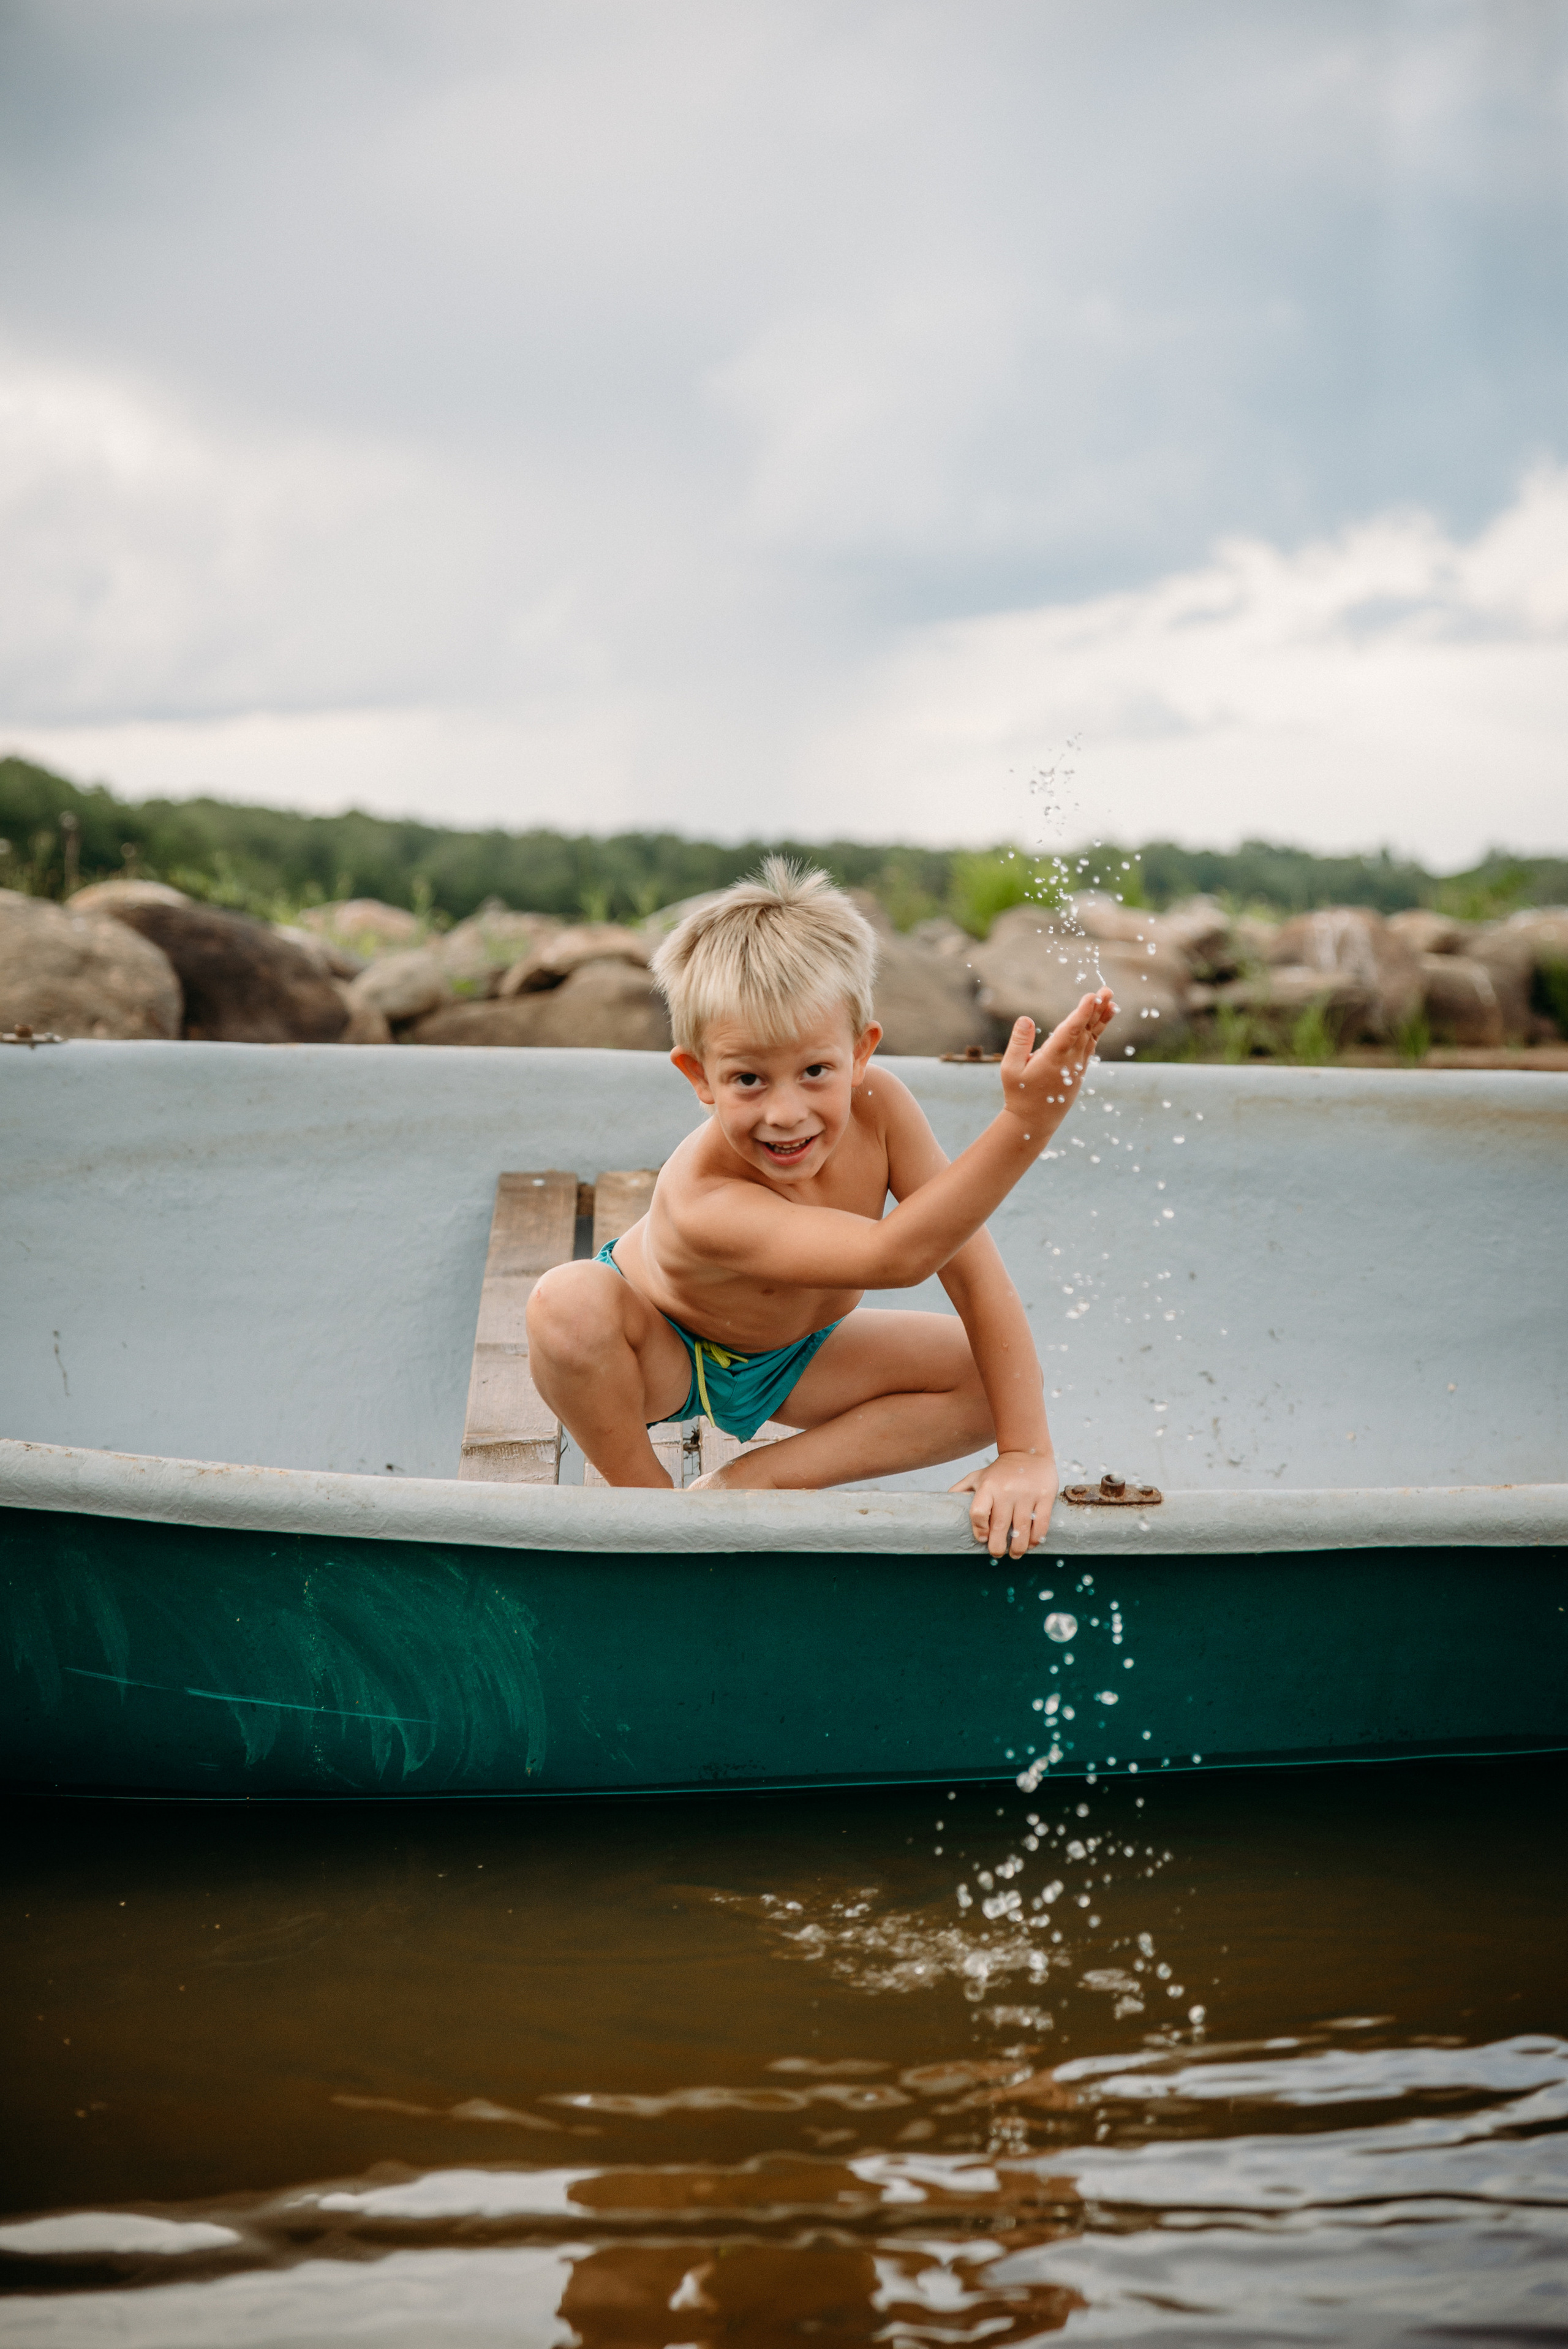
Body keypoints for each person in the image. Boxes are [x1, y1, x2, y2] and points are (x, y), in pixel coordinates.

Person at [526, 861, 1115, 1557]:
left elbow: (975, 1276)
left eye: (815, 1072)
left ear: (861, 1052)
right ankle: (651, 1513)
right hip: (663, 1352)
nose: (785, 1113)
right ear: (698, 1076)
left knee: (999, 1379)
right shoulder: (701, 1195)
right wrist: (1026, 1123)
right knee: (566, 1304)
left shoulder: (883, 1109)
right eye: (748, 1079)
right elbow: (895, 1256)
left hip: (797, 1357)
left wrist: (1023, 1451)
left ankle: (755, 1482)